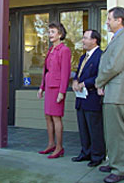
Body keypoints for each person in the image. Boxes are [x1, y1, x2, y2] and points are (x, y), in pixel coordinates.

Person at [95, 7, 124, 183]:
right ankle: (113, 162)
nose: (107, 22)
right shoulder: (117, 38)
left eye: (109, 19)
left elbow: (113, 66)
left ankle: (119, 169)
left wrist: (98, 82)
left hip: (117, 93)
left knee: (116, 132)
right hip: (111, 92)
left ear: (120, 20)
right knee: (110, 131)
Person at [71, 29, 105, 167]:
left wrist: (84, 83)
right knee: (83, 127)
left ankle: (97, 156)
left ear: (94, 40)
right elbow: (78, 73)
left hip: (92, 97)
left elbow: (100, 76)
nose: (83, 41)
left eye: (85, 38)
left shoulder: (101, 56)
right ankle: (85, 152)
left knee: (94, 128)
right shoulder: (82, 57)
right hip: (81, 98)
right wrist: (75, 81)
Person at [37, 22, 71, 159]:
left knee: (56, 117)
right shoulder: (50, 50)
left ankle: (59, 147)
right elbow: (46, 70)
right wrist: (41, 87)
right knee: (48, 116)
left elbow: (65, 73)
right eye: (49, 32)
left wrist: (62, 92)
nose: (50, 34)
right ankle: (51, 144)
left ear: (60, 34)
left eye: (53, 32)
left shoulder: (64, 50)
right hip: (49, 87)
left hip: (57, 89)